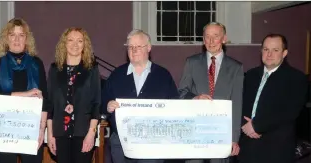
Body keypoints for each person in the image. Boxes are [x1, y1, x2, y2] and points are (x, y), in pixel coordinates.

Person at [102, 29, 178, 163]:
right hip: (121, 143)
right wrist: (107, 106)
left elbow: (174, 106)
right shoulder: (116, 75)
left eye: (138, 46)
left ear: (148, 47)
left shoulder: (163, 75)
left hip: (153, 142)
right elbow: (102, 103)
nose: (134, 50)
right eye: (130, 47)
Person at [178, 22, 243, 163]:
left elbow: (237, 105)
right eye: (207, 36)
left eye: (216, 36)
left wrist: (234, 139)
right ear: (203, 39)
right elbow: (181, 93)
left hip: (222, 133)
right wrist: (195, 98)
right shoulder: (191, 62)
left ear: (224, 39)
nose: (211, 41)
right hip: (194, 131)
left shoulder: (236, 67)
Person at [238, 34, 308, 163]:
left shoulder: (297, 78)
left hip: (276, 149)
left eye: (275, 50)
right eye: (266, 49)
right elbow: (240, 103)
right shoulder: (250, 75)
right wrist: (244, 125)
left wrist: (256, 126)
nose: (269, 54)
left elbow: (289, 112)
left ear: (284, 53)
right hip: (247, 146)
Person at [0, 18, 47, 163]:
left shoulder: (36, 63)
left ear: (27, 39)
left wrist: (41, 130)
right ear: (6, 38)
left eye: (21, 35)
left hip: (31, 128)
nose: (17, 39)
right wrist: (26, 94)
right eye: (12, 35)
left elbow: (45, 98)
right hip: (2, 129)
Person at [46, 27, 100, 163]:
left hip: (84, 133)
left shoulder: (92, 69)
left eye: (79, 41)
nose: (75, 44)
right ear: (64, 44)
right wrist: (50, 135)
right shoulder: (54, 69)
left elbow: (96, 103)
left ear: (84, 45)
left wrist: (91, 133)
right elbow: (50, 104)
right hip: (60, 134)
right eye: (70, 40)